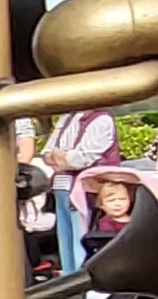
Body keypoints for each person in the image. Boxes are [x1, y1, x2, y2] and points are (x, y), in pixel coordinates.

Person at [40, 102, 120, 274]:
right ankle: (69, 282)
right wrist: (62, 158)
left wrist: (62, 157)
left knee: (81, 240)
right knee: (65, 240)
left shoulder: (102, 120)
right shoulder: (66, 118)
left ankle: (83, 284)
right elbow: (46, 153)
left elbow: (81, 159)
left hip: (84, 190)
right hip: (61, 186)